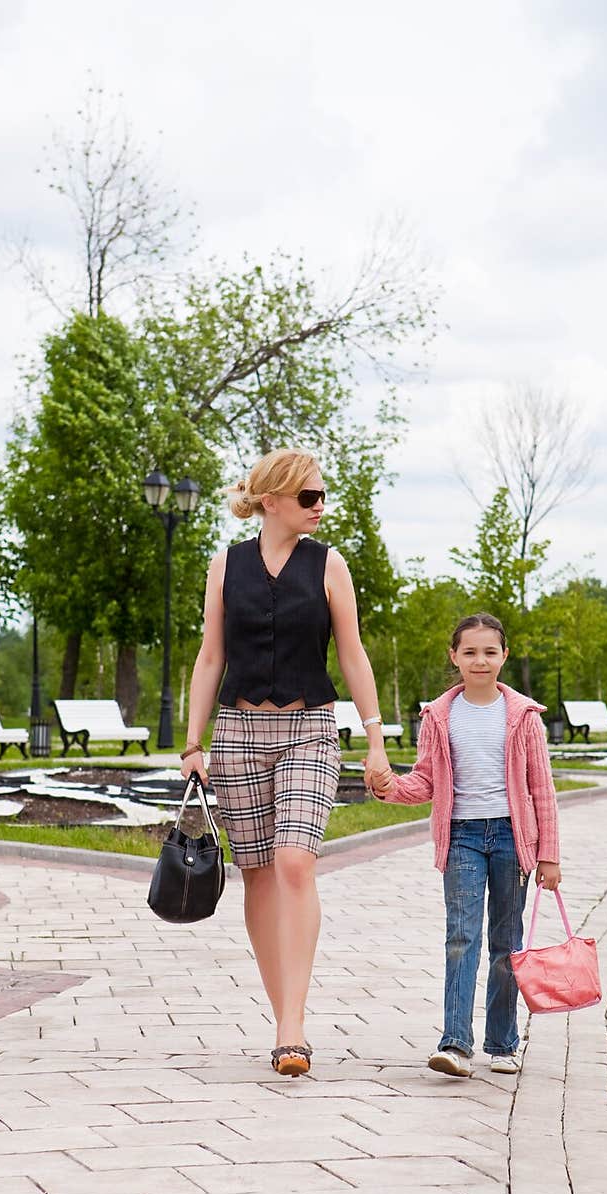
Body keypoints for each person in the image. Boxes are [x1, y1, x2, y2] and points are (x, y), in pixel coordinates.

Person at [180, 448, 391, 1077]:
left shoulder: (330, 565)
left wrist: (375, 738)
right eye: (309, 497)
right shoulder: (227, 564)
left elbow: (352, 655)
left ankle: (293, 1025)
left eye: (323, 496)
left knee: (295, 861)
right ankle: (283, 1022)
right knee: (258, 873)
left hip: (309, 725)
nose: (320, 506)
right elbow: (210, 657)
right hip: (239, 729)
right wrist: (195, 745)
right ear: (271, 500)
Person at [367, 612, 561, 1078]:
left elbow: (542, 789)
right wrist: (387, 785)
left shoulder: (523, 717)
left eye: (489, 652)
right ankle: (455, 1044)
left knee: (506, 943)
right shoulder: (439, 715)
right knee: (461, 937)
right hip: (462, 838)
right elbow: (427, 780)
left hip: (512, 840)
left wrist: (549, 854)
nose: (480, 660)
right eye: (470, 652)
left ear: (504, 657)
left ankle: (502, 1042)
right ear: (454, 656)